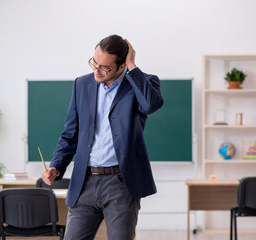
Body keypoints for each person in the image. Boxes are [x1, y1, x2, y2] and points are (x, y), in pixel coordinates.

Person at [41, 34, 164, 240]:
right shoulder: (82, 84)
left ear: (121, 65)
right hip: (84, 182)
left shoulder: (141, 83)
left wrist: (132, 65)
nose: (96, 70)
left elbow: (151, 105)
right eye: (94, 62)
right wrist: (56, 166)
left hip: (121, 184)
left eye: (104, 67)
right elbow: (70, 134)